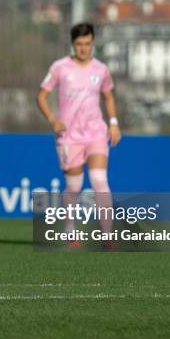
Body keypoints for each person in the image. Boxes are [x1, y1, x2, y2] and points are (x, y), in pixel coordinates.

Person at [36, 22, 121, 249]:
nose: (84, 48)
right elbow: (42, 96)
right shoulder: (60, 68)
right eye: (79, 44)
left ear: (93, 43)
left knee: (100, 181)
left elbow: (109, 97)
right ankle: (70, 231)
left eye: (88, 44)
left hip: (96, 133)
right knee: (74, 186)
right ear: (73, 44)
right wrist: (53, 120)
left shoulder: (101, 70)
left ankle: (107, 235)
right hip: (69, 137)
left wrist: (113, 123)